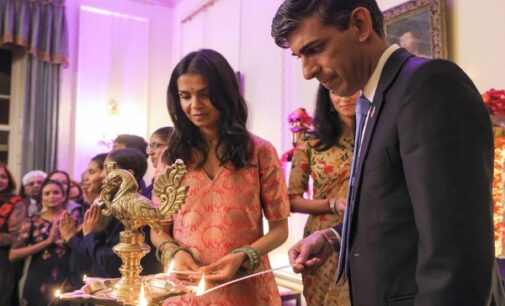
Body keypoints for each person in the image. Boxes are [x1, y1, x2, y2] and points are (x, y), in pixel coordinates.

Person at [271, 1, 504, 305]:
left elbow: (455, 253)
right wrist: (335, 236)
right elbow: (394, 207)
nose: (307, 71)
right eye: (299, 56)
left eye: (315, 49)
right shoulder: (373, 100)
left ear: (359, 24)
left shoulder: (430, 86)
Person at [152, 49, 290, 306]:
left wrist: (244, 255)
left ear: (225, 93)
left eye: (205, 94)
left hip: (246, 287)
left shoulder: (260, 152)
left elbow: (280, 230)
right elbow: (157, 230)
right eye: (186, 96)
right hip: (187, 289)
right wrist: (174, 252)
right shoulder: (172, 158)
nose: (195, 105)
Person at [288, 85, 356, 305]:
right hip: (321, 238)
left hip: (362, 232)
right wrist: (332, 204)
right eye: (336, 91)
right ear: (327, 96)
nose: (345, 97)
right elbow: (291, 200)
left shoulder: (374, 137)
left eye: (352, 89)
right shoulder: (311, 140)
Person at [60, 148, 162, 283]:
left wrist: (85, 236)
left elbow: (110, 262)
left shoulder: (130, 208)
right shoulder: (115, 203)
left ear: (128, 174)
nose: (102, 175)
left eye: (108, 169)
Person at [10, 179, 73, 306]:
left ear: (63, 196)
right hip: (37, 280)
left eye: (56, 192)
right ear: (42, 198)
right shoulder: (32, 221)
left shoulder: (73, 219)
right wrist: (48, 242)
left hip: (67, 280)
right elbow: (13, 255)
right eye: (47, 193)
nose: (52, 196)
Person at [0, 163, 26, 306]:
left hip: (4, 260)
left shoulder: (16, 203)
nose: (0, 180)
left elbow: (17, 236)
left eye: (3, 177)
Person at [145, 126, 174, 198]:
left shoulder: (177, 184)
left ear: (173, 146)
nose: (150, 153)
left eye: (157, 145)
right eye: (150, 147)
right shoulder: (153, 185)